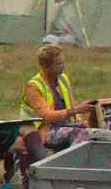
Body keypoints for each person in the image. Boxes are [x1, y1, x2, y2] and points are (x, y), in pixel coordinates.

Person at [18, 43, 94, 172]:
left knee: (94, 131)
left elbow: (70, 103)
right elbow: (47, 116)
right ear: (47, 67)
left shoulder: (63, 78)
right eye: (59, 64)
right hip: (43, 131)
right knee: (83, 134)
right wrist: (76, 110)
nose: (63, 66)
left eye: (63, 62)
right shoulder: (33, 87)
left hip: (64, 126)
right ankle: (69, 171)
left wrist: (78, 117)